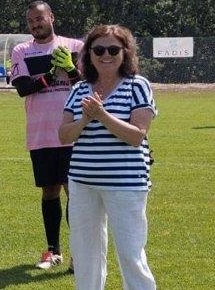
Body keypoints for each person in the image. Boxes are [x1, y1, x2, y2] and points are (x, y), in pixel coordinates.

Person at [58, 24, 157, 290]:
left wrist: (102, 115)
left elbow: (136, 135)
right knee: (85, 253)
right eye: (98, 49)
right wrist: (85, 119)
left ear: (125, 52)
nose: (106, 55)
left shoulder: (137, 86)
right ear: (88, 53)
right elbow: (64, 136)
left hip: (126, 184)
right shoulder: (79, 90)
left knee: (131, 253)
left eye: (113, 49)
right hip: (82, 182)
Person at [8, 0, 83, 271]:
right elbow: (22, 88)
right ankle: (53, 251)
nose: (35, 24)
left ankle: (79, 254)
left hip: (74, 132)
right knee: (49, 191)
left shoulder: (76, 46)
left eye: (39, 18)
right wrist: (50, 76)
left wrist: (71, 70)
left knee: (75, 192)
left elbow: (87, 86)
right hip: (41, 133)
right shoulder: (21, 50)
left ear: (51, 17)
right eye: (31, 21)